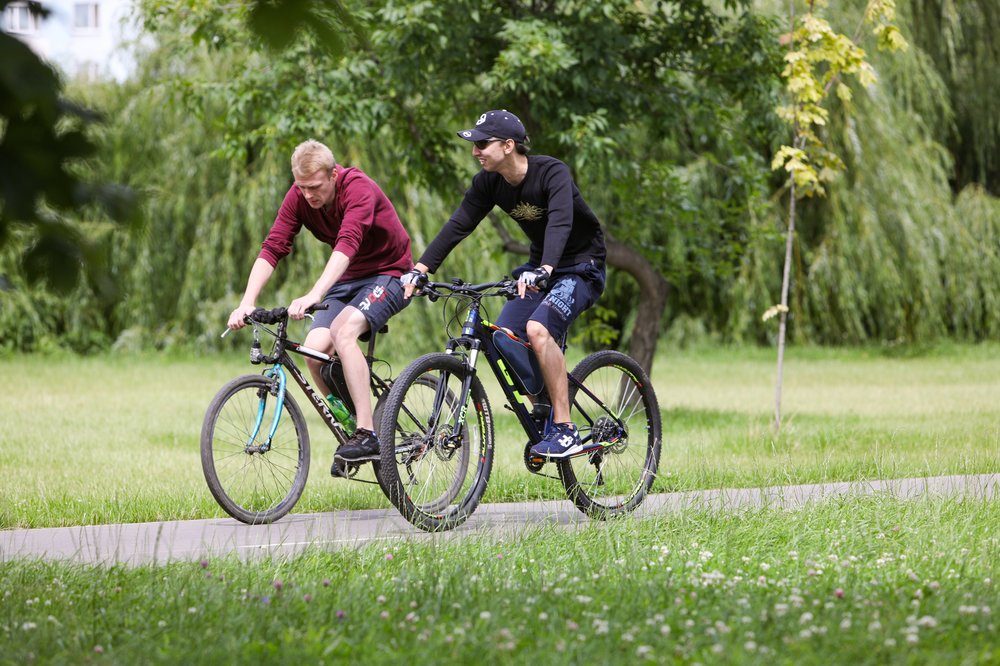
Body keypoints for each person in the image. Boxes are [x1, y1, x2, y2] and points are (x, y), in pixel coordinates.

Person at [401, 110, 607, 459]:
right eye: (473, 144)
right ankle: (542, 406)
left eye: (482, 144)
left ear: (509, 145)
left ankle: (565, 428)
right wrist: (420, 268)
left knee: (538, 329)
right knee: (504, 337)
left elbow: (559, 223)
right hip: (538, 268)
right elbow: (459, 224)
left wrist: (545, 268)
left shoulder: (551, 172)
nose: (475, 151)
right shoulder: (488, 182)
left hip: (580, 266)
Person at [228, 139, 413, 473]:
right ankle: (352, 433)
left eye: (314, 187)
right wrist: (246, 302)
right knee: (314, 352)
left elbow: (347, 243)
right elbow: (273, 246)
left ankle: (367, 432)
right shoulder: (299, 197)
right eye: (301, 187)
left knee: (344, 334)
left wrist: (315, 293)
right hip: (349, 278)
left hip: (391, 273)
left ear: (333, 175)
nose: (308, 195)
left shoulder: (358, 189)